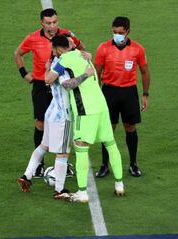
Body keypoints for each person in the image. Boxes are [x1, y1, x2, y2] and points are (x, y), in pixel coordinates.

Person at [46, 35, 125, 203]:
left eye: (54, 50)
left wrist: (51, 68)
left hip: (85, 110)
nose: (54, 53)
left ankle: (82, 192)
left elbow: (55, 82)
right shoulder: (83, 55)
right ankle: (119, 185)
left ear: (58, 49)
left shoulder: (64, 59)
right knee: (111, 144)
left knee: (81, 149)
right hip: (102, 106)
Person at [14, 8, 85, 177]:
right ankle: (39, 165)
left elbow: (82, 50)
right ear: (41, 23)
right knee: (40, 123)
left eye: (54, 22)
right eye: (48, 23)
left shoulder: (67, 36)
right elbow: (18, 54)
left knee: (65, 124)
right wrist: (24, 73)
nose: (52, 26)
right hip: (41, 84)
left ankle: (62, 165)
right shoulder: (32, 38)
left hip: (62, 85)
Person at [17, 37, 90, 199]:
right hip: (63, 115)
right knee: (63, 153)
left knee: (44, 146)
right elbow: (67, 84)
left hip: (51, 111)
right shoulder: (63, 64)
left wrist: (85, 54)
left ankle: (26, 176)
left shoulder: (54, 60)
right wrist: (85, 75)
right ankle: (59, 189)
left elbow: (47, 78)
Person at [94, 16, 150, 177]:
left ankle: (133, 164)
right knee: (108, 129)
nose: (117, 35)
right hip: (109, 92)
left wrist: (145, 94)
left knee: (130, 128)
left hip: (129, 93)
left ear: (128, 32)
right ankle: (105, 165)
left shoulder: (137, 49)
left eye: (120, 32)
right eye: (114, 32)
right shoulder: (104, 48)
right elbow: (96, 72)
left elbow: (145, 72)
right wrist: (97, 95)